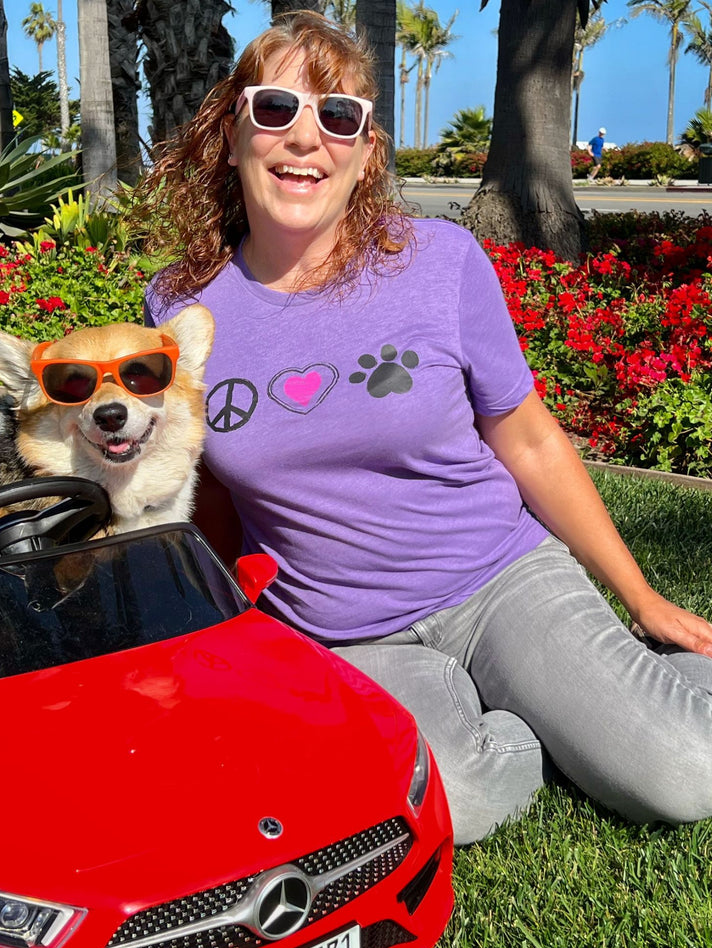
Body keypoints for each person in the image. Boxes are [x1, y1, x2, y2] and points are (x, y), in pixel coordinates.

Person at [139, 12, 712, 845]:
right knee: (458, 805)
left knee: (683, 773)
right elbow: (212, 491)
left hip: (499, 581)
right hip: (346, 633)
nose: (306, 139)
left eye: (338, 117)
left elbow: (530, 438)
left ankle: (619, 684)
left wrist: (643, 598)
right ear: (231, 137)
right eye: (274, 110)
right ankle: (534, 719)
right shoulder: (180, 307)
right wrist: (216, 631)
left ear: (367, 152)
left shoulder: (439, 261)